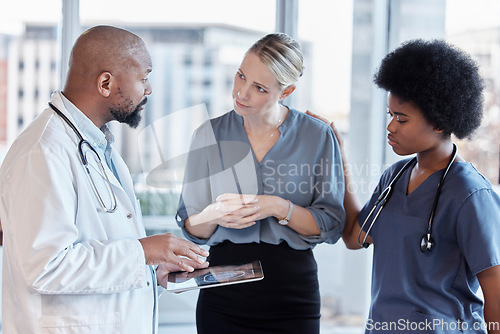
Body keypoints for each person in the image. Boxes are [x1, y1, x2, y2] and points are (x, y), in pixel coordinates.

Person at [0, 25, 209, 334]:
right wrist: (144, 251)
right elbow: (45, 267)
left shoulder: (99, 147)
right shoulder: (43, 152)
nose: (148, 89)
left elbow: (104, 246)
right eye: (143, 77)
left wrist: (151, 267)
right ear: (106, 83)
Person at [309, 39, 500, 334]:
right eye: (390, 115)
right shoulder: (394, 177)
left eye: (402, 118)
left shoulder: (470, 194)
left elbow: (495, 290)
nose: (391, 127)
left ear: (439, 122)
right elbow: (353, 237)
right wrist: (339, 156)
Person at [176, 32, 346, 334]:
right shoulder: (208, 135)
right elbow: (192, 226)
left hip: (293, 295)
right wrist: (215, 213)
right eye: (240, 76)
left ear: (287, 90)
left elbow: (331, 224)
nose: (241, 93)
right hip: (222, 294)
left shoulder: (318, 136)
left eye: (259, 88)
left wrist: (278, 207)